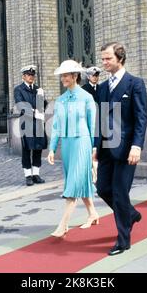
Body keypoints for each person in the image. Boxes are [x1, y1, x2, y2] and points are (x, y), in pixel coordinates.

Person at [93, 42, 147, 256]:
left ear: (120, 58)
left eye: (108, 58)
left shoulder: (135, 83)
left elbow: (141, 118)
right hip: (107, 147)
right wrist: (96, 146)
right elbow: (101, 118)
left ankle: (123, 240)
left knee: (119, 192)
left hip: (127, 148)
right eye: (103, 58)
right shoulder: (104, 87)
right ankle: (131, 214)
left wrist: (137, 145)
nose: (104, 62)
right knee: (102, 189)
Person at [47, 60, 100, 237]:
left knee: (72, 185)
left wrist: (94, 147)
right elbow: (56, 126)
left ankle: (63, 225)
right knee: (78, 181)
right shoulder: (60, 100)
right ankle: (93, 213)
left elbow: (92, 124)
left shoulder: (87, 97)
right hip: (67, 145)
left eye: (66, 75)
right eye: (62, 75)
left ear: (75, 76)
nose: (63, 78)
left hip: (82, 143)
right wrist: (52, 149)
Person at [14, 65, 48, 186]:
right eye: (28, 75)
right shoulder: (19, 89)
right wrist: (34, 112)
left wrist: (42, 97)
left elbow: (43, 105)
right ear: (23, 76)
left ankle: (36, 174)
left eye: (32, 75)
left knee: (38, 147)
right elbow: (20, 105)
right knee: (27, 149)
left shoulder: (37, 89)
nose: (31, 77)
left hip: (38, 122)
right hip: (27, 122)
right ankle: (28, 175)